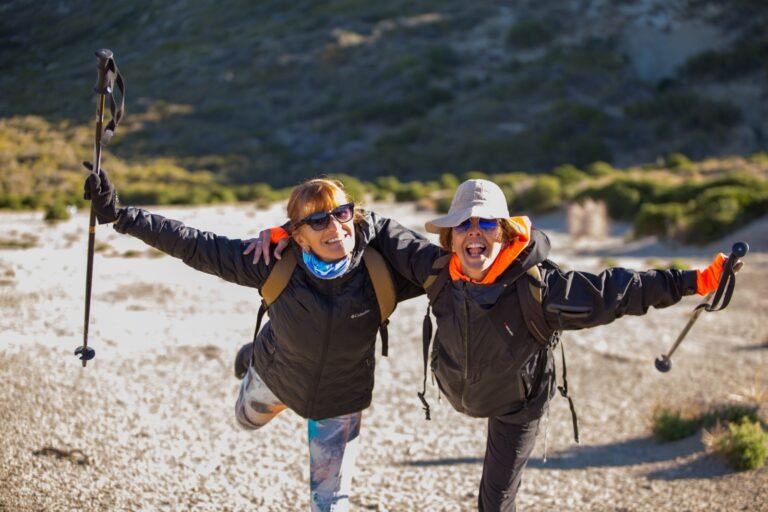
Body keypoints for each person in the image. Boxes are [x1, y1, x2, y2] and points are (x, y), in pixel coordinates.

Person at [260, 179, 732, 511]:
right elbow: (375, 226)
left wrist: (695, 279)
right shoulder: (436, 267)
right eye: (464, 224)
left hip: (517, 403)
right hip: (458, 387)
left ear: (505, 232)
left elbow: (620, 288)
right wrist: (294, 231)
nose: (474, 232)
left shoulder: (540, 289)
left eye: (487, 224)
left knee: (496, 501)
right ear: (450, 235)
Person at [83, 167, 424, 512]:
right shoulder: (272, 262)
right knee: (245, 421)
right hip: (276, 375)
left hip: (339, 401)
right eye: (318, 221)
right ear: (299, 236)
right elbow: (195, 245)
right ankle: (252, 358)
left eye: (342, 213)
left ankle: (258, 354)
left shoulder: (383, 272)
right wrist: (120, 216)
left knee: (331, 502)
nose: (335, 227)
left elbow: (444, 268)